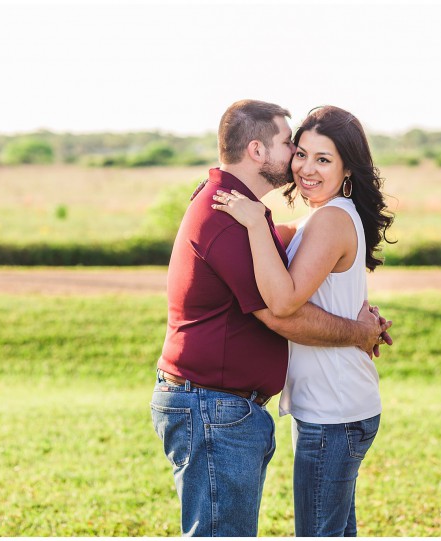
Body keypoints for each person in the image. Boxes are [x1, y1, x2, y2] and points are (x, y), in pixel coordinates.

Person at [150, 99, 392, 537]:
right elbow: (282, 311)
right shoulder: (234, 217)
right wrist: (359, 328)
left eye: (321, 158)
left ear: (347, 169)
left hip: (324, 405)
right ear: (258, 151)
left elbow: (287, 290)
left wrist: (262, 224)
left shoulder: (262, 215)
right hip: (223, 406)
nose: (302, 165)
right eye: (295, 149)